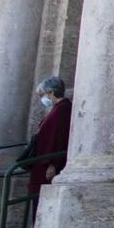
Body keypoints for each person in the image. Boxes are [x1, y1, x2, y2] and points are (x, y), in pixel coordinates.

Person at [19, 76, 72, 212]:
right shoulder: (57, 109)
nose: (42, 98)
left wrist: (52, 163)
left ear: (51, 92)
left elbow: (57, 138)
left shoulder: (62, 110)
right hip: (42, 164)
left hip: (46, 166)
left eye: (43, 95)